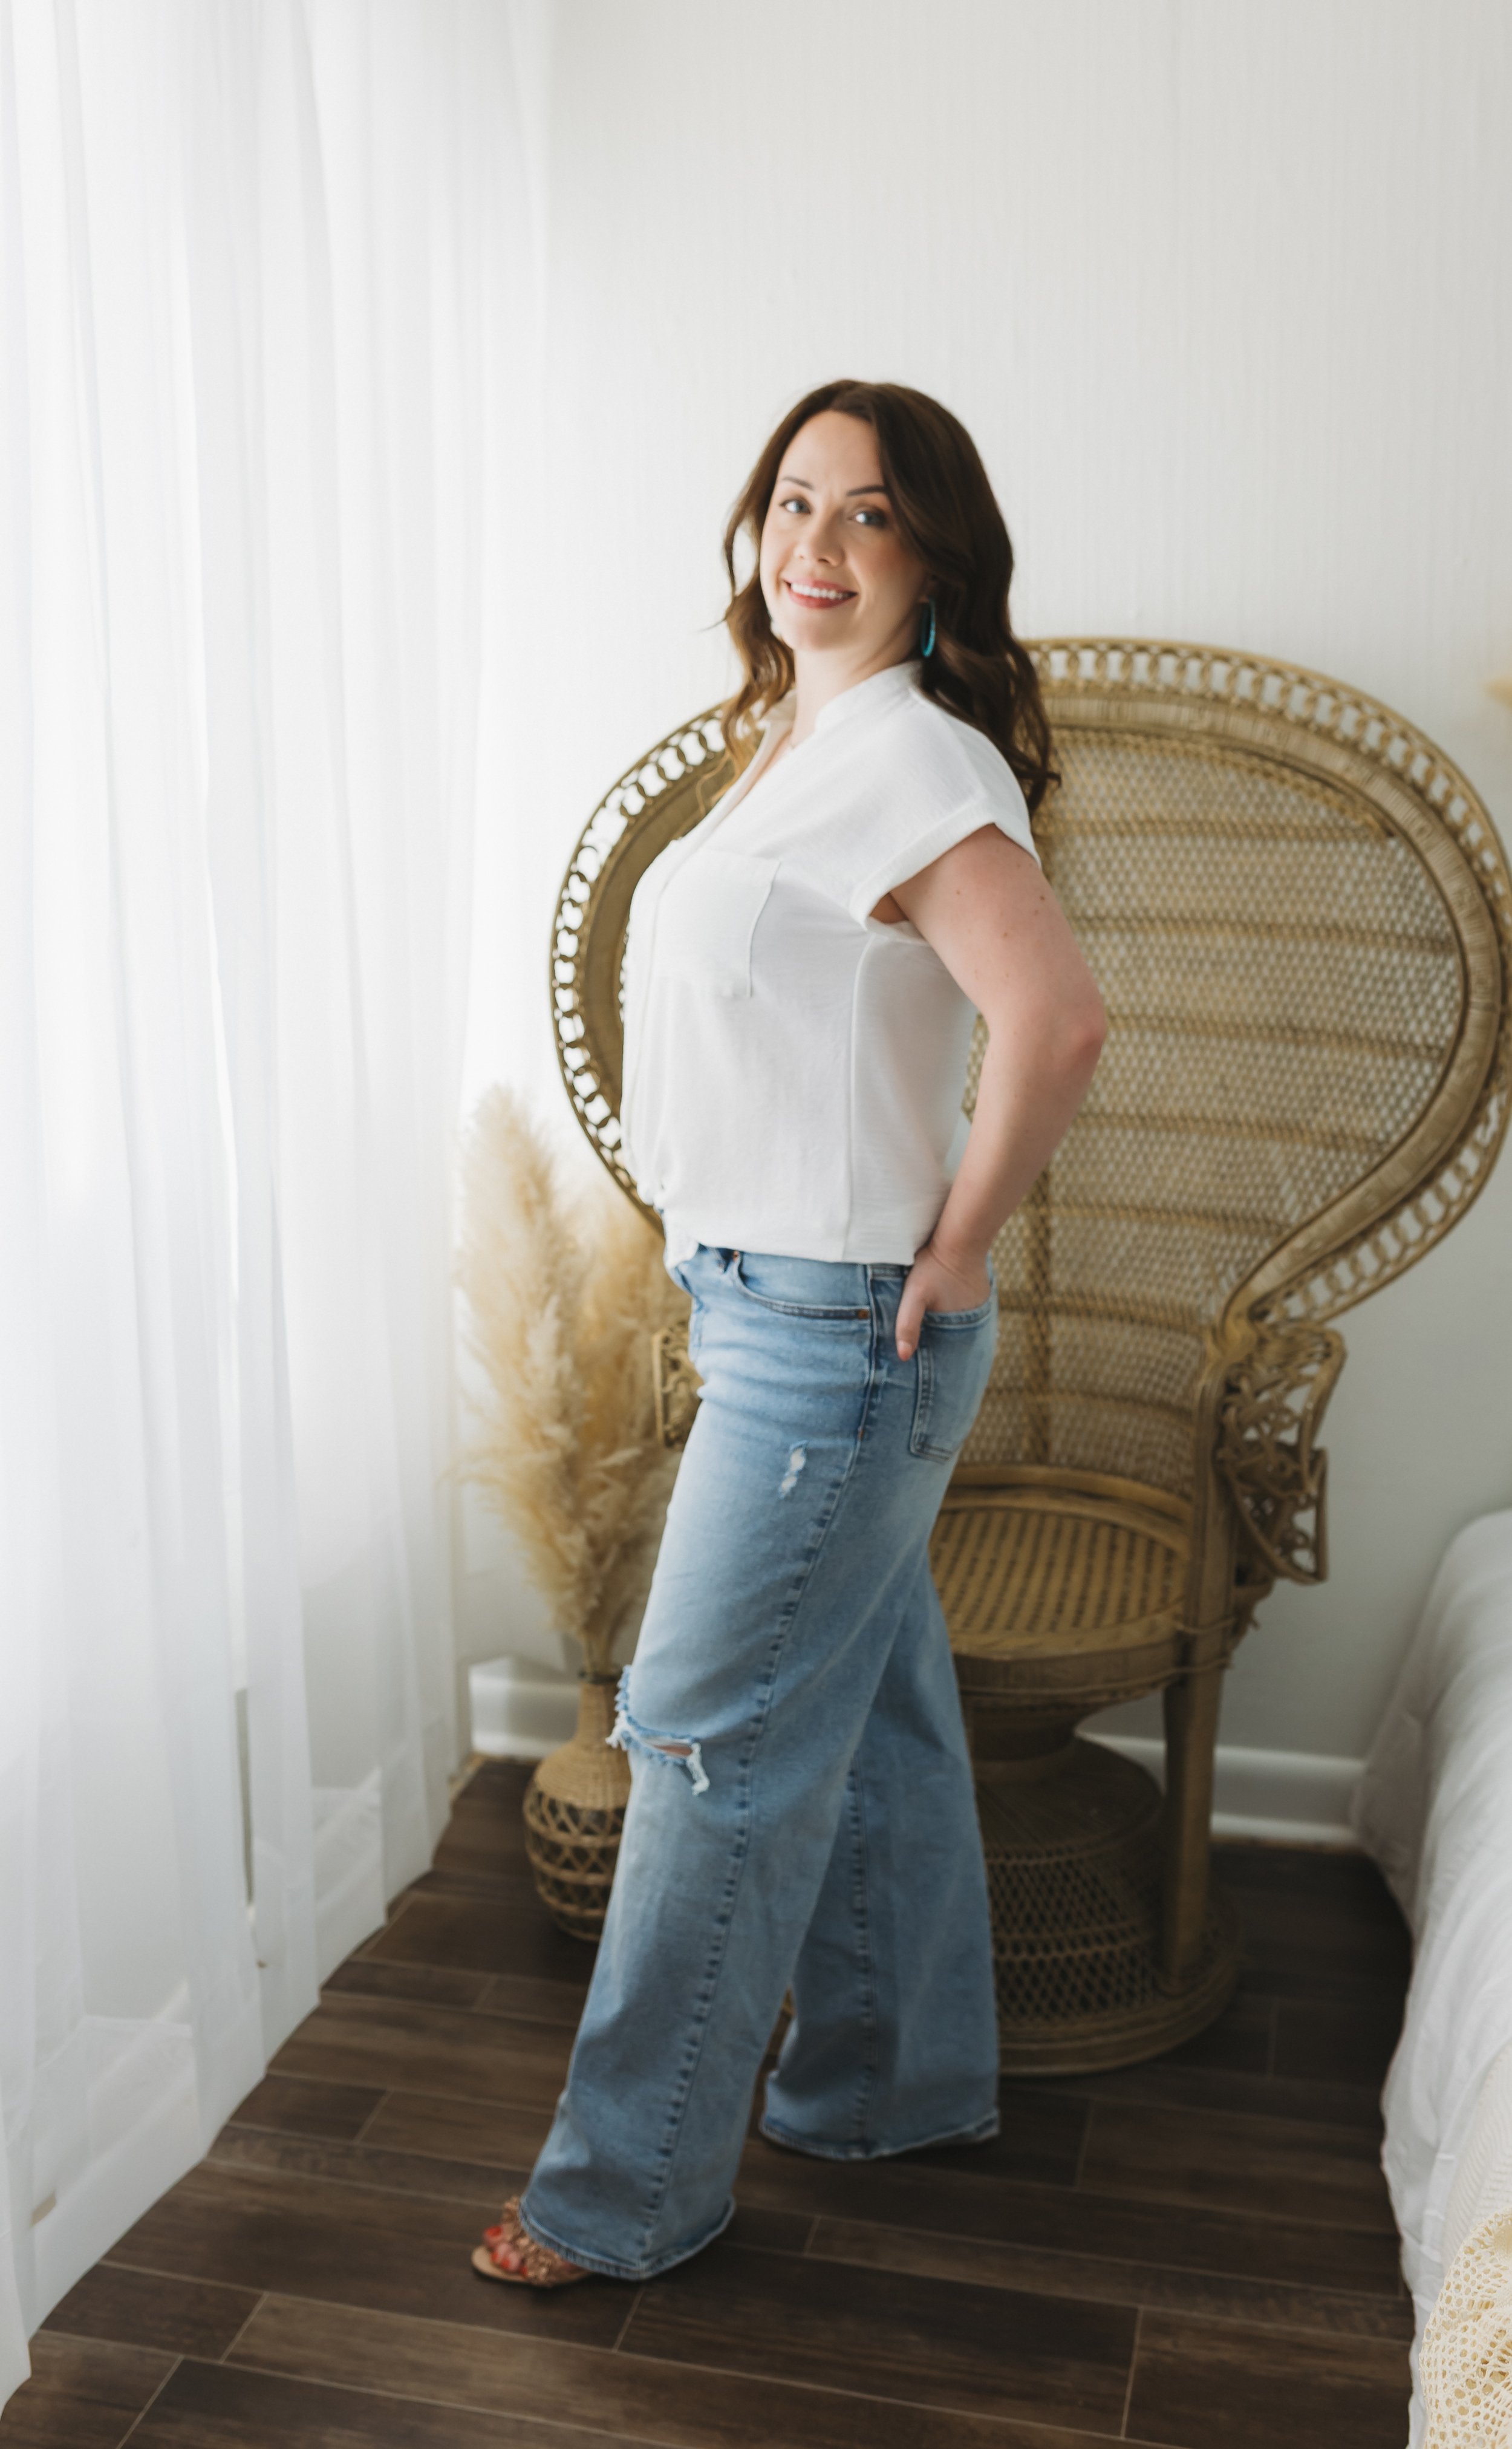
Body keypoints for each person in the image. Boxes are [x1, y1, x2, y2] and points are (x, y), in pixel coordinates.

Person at [473, 379, 1106, 2289]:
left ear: (933, 559)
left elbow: (1055, 1019)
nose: (814, 545)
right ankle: (892, 2082)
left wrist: (961, 1248)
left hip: (837, 1331)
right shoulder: (799, 741)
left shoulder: (911, 757)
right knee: (877, 1717)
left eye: (869, 514)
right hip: (765, 1305)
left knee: (701, 1748)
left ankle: (617, 2195)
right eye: (794, 501)